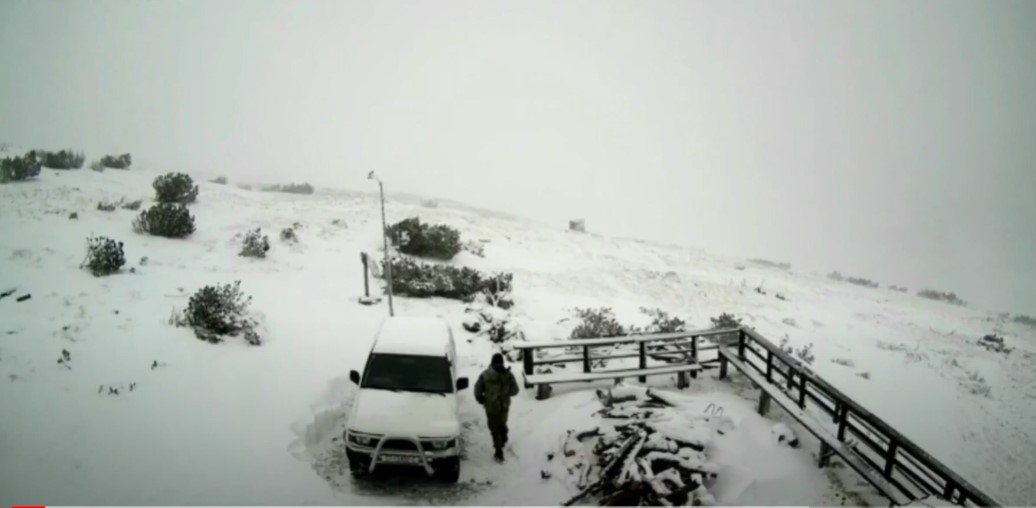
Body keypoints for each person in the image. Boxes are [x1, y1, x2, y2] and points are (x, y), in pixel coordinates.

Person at [474, 352, 520, 462]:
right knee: (501, 423)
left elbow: (478, 390)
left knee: (494, 428)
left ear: (492, 362)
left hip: (491, 406)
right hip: (504, 405)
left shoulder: (485, 375)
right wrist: (506, 392)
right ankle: (503, 435)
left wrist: (481, 399)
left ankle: (498, 450)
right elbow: (515, 390)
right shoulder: (508, 375)